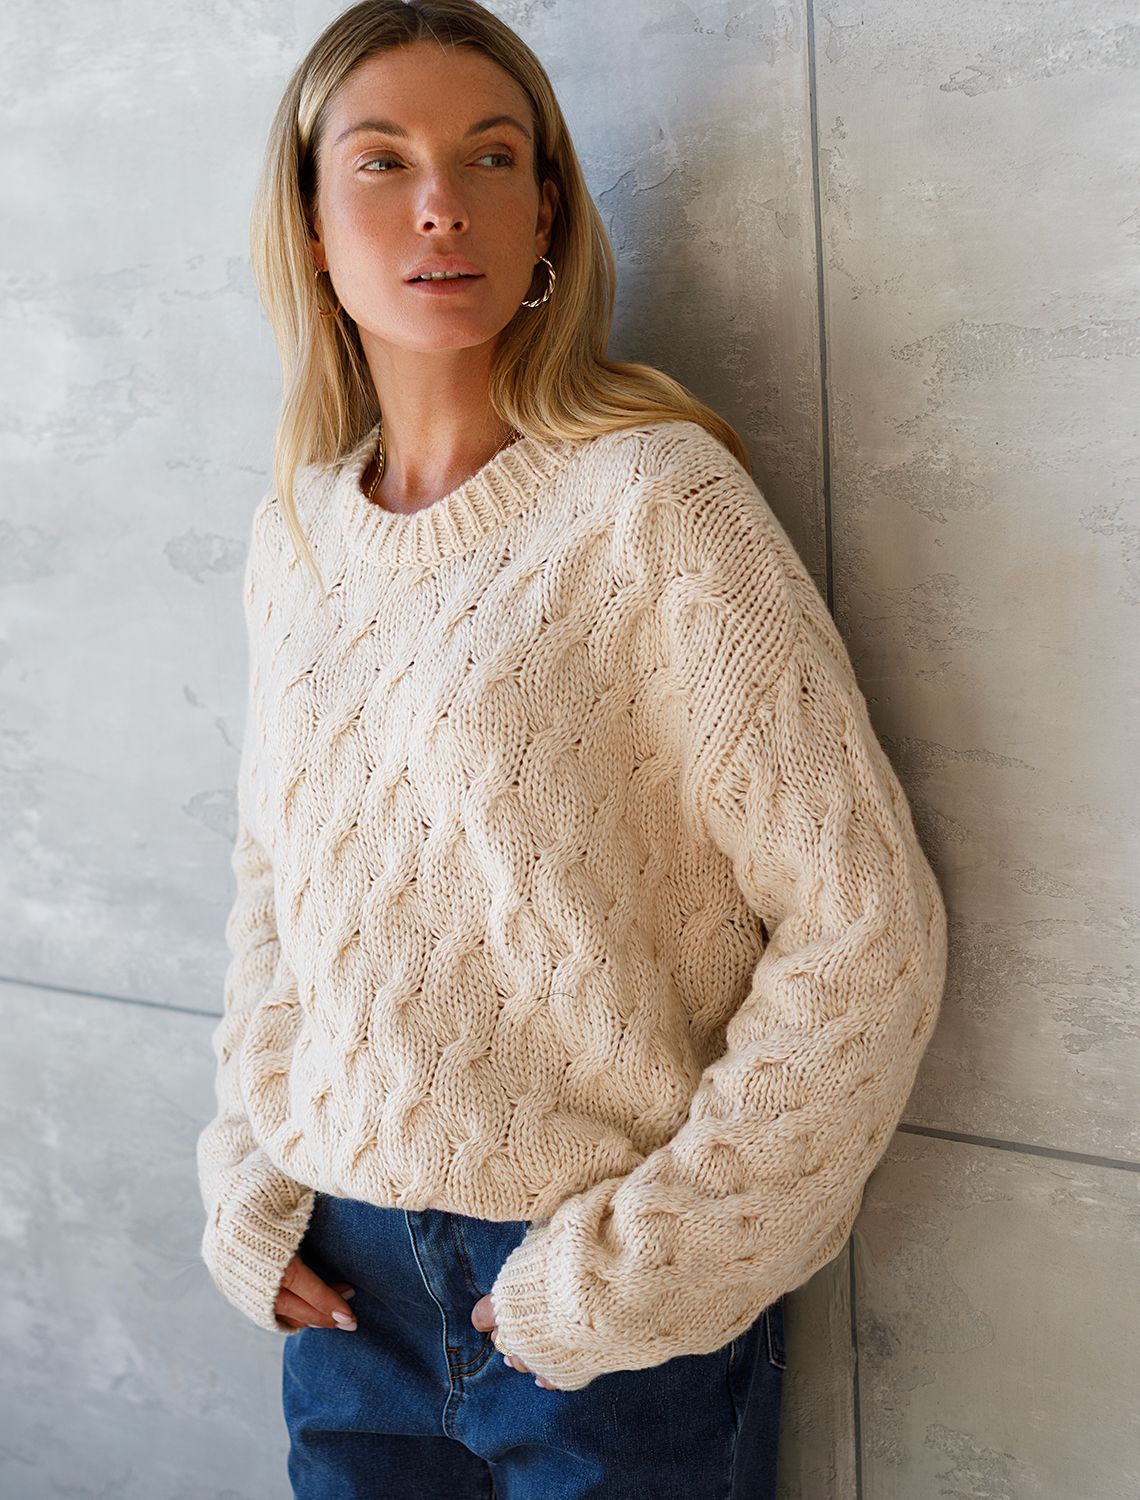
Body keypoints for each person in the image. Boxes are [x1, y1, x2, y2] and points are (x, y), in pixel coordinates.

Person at [195, 2, 949, 1496]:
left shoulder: (652, 503)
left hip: (595, 1308)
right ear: (310, 224)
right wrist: (250, 1175)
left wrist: (648, 1266)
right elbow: (279, 895)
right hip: (341, 1288)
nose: (442, 206)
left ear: (545, 210)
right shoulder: (298, 535)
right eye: (383, 161)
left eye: (492, 157)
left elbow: (865, 925)